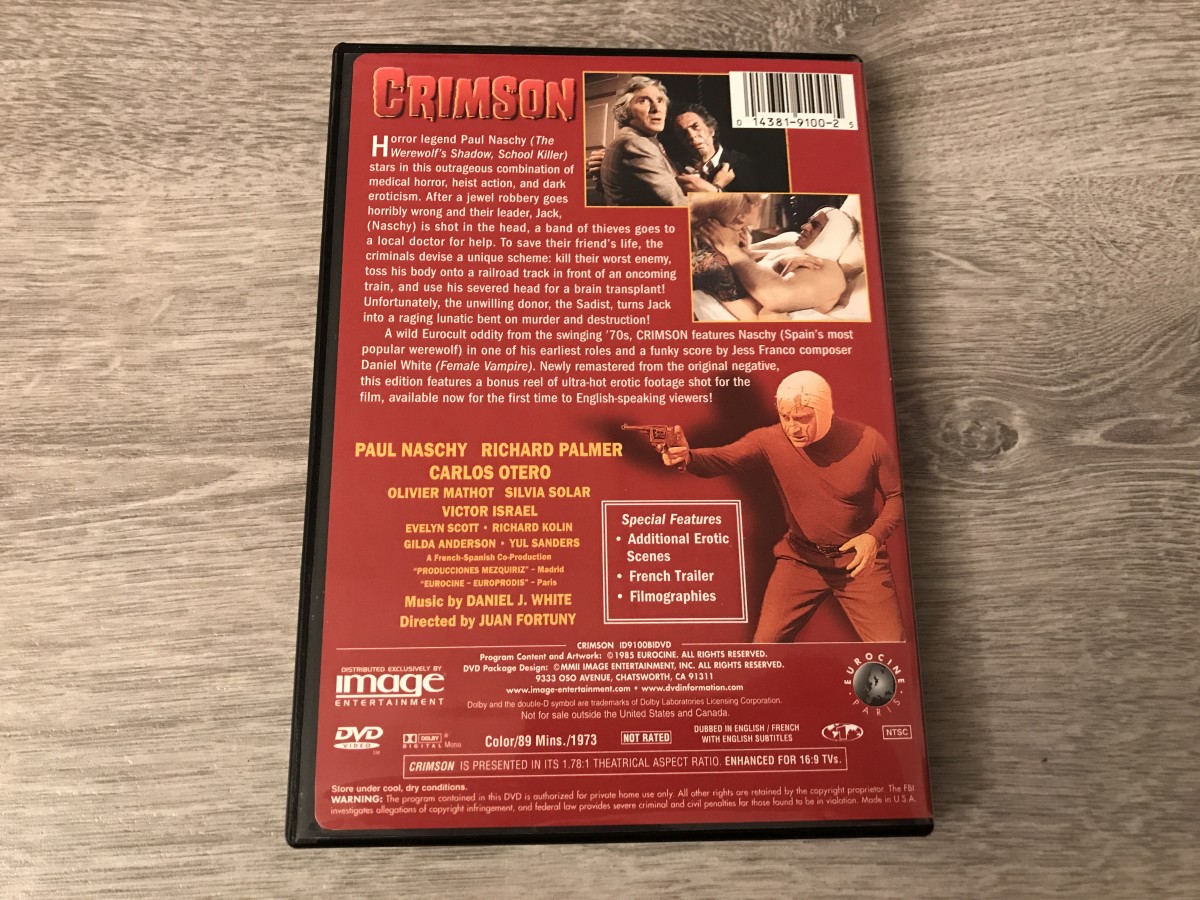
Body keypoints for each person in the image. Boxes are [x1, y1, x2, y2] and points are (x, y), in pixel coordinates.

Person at [661, 371, 906, 643]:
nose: (793, 428)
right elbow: (724, 458)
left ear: (825, 411)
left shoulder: (869, 441)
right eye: (786, 417)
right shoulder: (770, 440)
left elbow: (897, 496)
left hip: (859, 563)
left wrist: (873, 537)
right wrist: (688, 457)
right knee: (764, 649)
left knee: (891, 650)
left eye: (802, 418)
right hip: (801, 561)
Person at [694, 204, 863, 319]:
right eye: (809, 222)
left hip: (718, 311)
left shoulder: (828, 272)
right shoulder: (794, 247)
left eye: (815, 225)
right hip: (710, 296)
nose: (804, 226)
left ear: (832, 234)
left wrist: (731, 248)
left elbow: (775, 300)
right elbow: (748, 260)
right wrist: (743, 250)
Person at [599, 77, 687, 207]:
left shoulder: (644, 140)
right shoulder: (636, 144)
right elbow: (679, 204)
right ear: (625, 110)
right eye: (643, 101)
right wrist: (716, 191)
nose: (656, 108)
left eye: (660, 100)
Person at [672, 104, 759, 194]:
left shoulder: (739, 163)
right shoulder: (677, 170)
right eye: (682, 132)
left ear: (711, 130)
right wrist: (717, 186)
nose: (691, 135)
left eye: (695, 127)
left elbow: (750, 201)